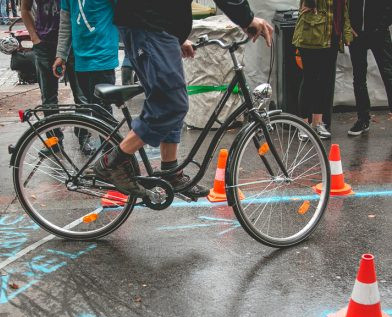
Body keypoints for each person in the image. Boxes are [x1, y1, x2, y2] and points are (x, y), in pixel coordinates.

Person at [92, 0, 273, 198]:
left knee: (173, 99)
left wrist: (177, 36)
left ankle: (171, 172)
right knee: (172, 104)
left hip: (157, 27)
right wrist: (247, 19)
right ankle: (112, 162)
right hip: (149, 25)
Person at [21, 0, 91, 154]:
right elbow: (24, 9)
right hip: (44, 45)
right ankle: (54, 141)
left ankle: (84, 137)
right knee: (48, 99)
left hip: (73, 44)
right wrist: (35, 38)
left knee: (82, 97)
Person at [293, 0, 353, 140]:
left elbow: (343, 10)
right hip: (312, 34)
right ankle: (303, 125)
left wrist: (346, 32)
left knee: (324, 82)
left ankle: (317, 123)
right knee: (309, 80)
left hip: (332, 38)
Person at [52, 0, 119, 114]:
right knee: (91, 108)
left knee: (102, 109)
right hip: (81, 60)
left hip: (103, 57)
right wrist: (61, 55)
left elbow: (125, 11)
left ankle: (108, 131)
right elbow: (65, 23)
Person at [347, 0, 392, 136]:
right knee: (359, 77)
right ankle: (363, 119)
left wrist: (381, 26)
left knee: (389, 75)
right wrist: (349, 25)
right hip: (357, 35)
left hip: (379, 33)